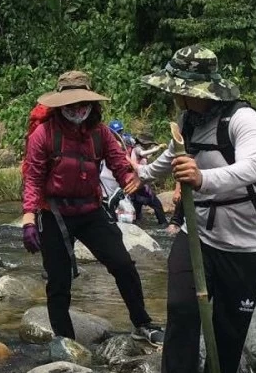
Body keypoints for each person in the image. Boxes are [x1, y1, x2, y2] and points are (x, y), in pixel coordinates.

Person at [138, 46, 256, 373]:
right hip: (197, 231)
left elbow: (251, 168)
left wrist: (202, 179)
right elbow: (174, 156)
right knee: (183, 311)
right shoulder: (187, 119)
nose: (174, 94)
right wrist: (140, 177)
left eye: (178, 88)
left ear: (197, 88)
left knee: (229, 326)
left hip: (249, 241)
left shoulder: (244, 119)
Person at [21, 71, 164, 345]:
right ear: (60, 105)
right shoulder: (43, 134)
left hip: (90, 211)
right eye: (71, 105)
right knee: (58, 281)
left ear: (91, 104)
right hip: (55, 214)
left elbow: (119, 165)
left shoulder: (101, 133)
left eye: (82, 103)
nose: (77, 110)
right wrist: (29, 218)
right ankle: (65, 341)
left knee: (123, 264)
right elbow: (33, 177)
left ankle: (142, 324)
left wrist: (136, 183)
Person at [127, 132, 170, 228]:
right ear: (144, 142)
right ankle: (163, 223)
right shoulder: (137, 149)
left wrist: (155, 151)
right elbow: (143, 154)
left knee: (137, 205)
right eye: (149, 144)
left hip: (138, 182)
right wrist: (157, 148)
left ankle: (137, 224)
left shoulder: (139, 150)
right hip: (140, 182)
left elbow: (145, 156)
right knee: (157, 204)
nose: (150, 145)